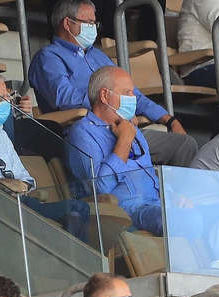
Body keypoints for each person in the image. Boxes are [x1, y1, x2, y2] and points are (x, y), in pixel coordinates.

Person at [32, 0, 197, 166]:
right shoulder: (49, 57)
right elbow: (64, 99)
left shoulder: (98, 55)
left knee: (184, 145)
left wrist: (170, 120)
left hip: (123, 130)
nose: (93, 28)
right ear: (67, 24)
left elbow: (134, 94)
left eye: (94, 23)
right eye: (88, 22)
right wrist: (115, 109)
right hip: (87, 135)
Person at [0, 74, 87, 236]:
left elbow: (24, 177)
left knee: (78, 209)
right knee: (76, 211)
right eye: (2, 97)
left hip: (18, 202)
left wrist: (23, 185)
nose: (9, 102)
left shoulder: (0, 134)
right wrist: (4, 184)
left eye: (8, 96)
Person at [66, 66, 168, 234]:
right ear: (105, 95)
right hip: (127, 213)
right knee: (182, 221)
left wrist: (173, 198)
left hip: (157, 204)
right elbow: (99, 189)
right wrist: (124, 141)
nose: (133, 98)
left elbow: (151, 175)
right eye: (127, 92)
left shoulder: (130, 128)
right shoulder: (82, 131)